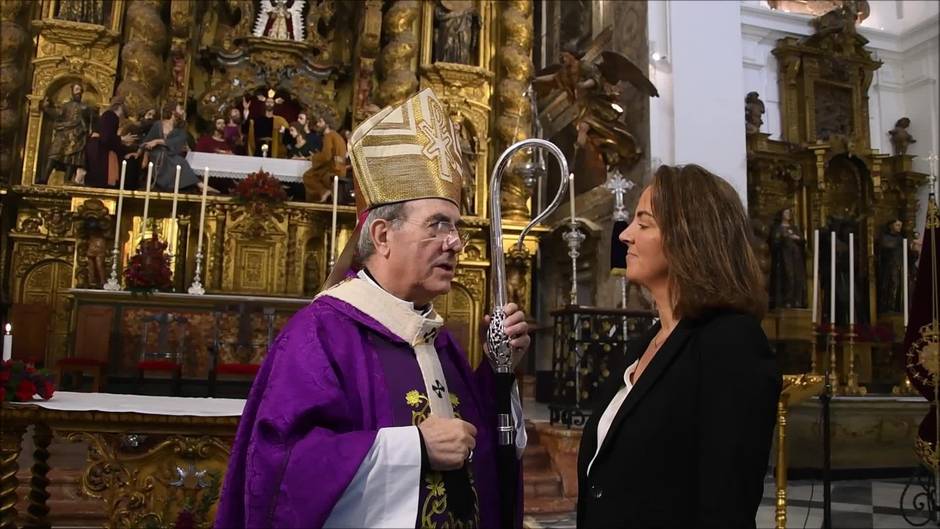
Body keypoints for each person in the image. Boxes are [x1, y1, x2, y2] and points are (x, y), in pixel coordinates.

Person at [216, 88, 529, 528]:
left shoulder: (435, 338)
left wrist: (499, 372)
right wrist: (414, 448)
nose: (456, 243)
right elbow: (281, 468)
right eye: (438, 225)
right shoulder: (321, 335)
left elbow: (480, 451)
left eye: (456, 227)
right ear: (382, 236)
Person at [577, 164, 781, 529]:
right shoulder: (646, 344)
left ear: (689, 237)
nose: (625, 236)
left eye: (643, 223)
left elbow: (726, 504)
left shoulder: (730, 343)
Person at [141, 101, 212, 192]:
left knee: (180, 161)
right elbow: (147, 141)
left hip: (170, 153)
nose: (183, 112)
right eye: (180, 109)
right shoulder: (158, 124)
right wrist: (144, 155)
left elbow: (178, 141)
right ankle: (199, 184)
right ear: (173, 111)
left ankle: (198, 184)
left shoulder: (181, 127)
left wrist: (158, 141)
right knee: (178, 161)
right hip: (156, 153)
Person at [39, 83, 95, 184]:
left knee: (72, 159)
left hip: (76, 136)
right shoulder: (66, 106)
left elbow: (91, 122)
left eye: (80, 90)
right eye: (76, 89)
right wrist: (47, 108)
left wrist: (90, 132)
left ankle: (67, 180)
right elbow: (57, 113)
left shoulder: (85, 107)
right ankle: (44, 178)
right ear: (72, 91)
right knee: (54, 154)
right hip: (63, 134)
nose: (79, 92)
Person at [84, 95, 137, 187]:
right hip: (99, 154)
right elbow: (106, 138)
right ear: (121, 105)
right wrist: (121, 139)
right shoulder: (110, 115)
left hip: (98, 151)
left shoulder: (109, 116)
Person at [303, 114, 346, 202]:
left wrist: (314, 157)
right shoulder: (337, 136)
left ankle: (324, 192)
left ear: (327, 123)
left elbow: (326, 156)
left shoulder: (328, 136)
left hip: (333, 169)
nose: (318, 124)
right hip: (339, 168)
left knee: (308, 176)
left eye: (320, 122)